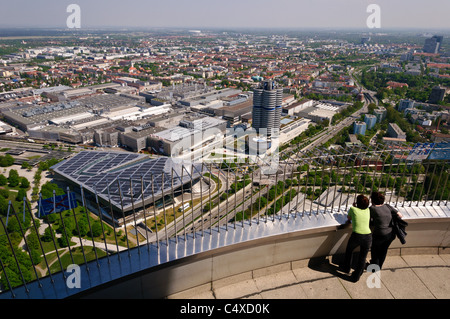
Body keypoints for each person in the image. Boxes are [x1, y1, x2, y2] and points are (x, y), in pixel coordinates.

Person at [369, 191, 403, 270]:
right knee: (383, 251)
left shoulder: (372, 209)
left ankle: (374, 268)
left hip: (379, 234)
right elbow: (400, 215)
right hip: (390, 234)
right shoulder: (387, 206)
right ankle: (379, 266)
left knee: (375, 251)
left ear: (372, 200)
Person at [342, 194, 372, 282]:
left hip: (357, 235)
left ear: (356, 203)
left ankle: (346, 268)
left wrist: (354, 207)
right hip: (368, 236)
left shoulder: (353, 209)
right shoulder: (368, 210)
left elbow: (349, 218)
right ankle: (356, 276)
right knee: (362, 257)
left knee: (349, 251)